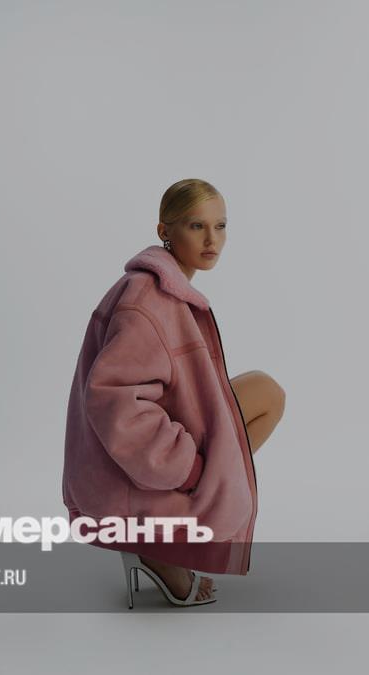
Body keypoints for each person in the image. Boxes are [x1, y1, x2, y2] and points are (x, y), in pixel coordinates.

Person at [62, 178, 286, 607]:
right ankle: (160, 542)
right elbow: (116, 403)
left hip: (147, 456)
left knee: (265, 394)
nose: (212, 240)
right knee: (262, 400)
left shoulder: (165, 290)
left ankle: (186, 511)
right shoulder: (148, 299)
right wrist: (189, 470)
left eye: (220, 226)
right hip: (131, 470)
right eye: (196, 226)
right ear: (165, 230)